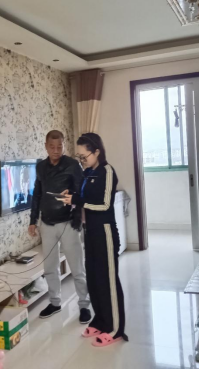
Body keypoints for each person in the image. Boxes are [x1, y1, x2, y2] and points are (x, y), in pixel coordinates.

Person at [62, 133, 128, 347]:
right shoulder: (88, 172)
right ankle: (100, 321)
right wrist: (71, 196)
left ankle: (115, 329)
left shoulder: (106, 171)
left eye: (84, 156)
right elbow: (84, 198)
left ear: (97, 151)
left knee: (108, 281)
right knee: (94, 278)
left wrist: (78, 200)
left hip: (105, 232)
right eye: (79, 157)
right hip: (89, 231)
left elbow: (104, 205)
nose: (82, 160)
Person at [29, 130, 92, 324]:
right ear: (46, 146)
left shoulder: (72, 165)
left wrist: (78, 216)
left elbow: (83, 192)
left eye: (59, 146)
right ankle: (55, 302)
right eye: (52, 147)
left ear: (64, 145)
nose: (56, 150)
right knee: (50, 267)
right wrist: (32, 221)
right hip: (47, 223)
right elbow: (37, 194)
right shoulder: (40, 167)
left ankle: (84, 305)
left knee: (77, 267)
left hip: (68, 223)